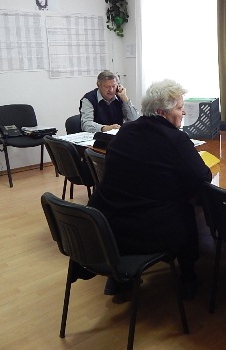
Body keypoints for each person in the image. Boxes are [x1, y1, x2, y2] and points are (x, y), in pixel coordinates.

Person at [87, 79, 212, 300]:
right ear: (161, 112)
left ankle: (121, 279)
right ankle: (188, 277)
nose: (183, 112)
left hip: (109, 224)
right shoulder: (176, 139)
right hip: (147, 231)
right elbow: (202, 177)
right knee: (185, 209)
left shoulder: (126, 131)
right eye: (179, 108)